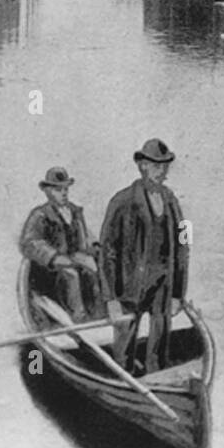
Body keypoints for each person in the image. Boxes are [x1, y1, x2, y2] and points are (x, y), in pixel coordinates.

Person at [100, 138, 189, 374]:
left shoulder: (171, 200)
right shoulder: (121, 201)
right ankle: (123, 384)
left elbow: (182, 248)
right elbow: (108, 253)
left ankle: (158, 381)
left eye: (165, 166)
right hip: (129, 288)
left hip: (163, 285)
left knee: (159, 346)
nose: (162, 172)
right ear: (143, 166)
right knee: (124, 350)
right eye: (157, 166)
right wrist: (110, 299)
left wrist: (178, 294)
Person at [20, 167, 101, 322]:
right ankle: (79, 319)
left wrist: (95, 248)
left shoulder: (75, 212)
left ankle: (98, 317)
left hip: (75, 260)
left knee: (92, 271)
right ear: (48, 191)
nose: (63, 193)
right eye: (58, 189)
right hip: (50, 271)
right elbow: (29, 242)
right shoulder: (40, 215)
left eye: (65, 189)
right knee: (70, 275)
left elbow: (86, 235)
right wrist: (54, 257)